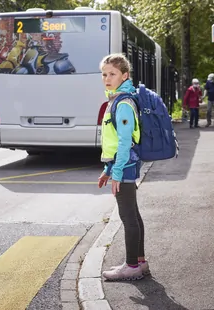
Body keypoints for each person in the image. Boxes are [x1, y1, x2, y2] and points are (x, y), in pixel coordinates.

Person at [97, 53, 149, 281]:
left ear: (124, 76)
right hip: (122, 165)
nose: (107, 78)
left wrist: (116, 171)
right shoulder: (117, 100)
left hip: (125, 167)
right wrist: (108, 169)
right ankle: (140, 262)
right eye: (104, 74)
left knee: (128, 218)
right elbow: (115, 141)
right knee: (134, 215)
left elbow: (125, 141)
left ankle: (131, 266)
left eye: (112, 74)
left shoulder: (124, 103)